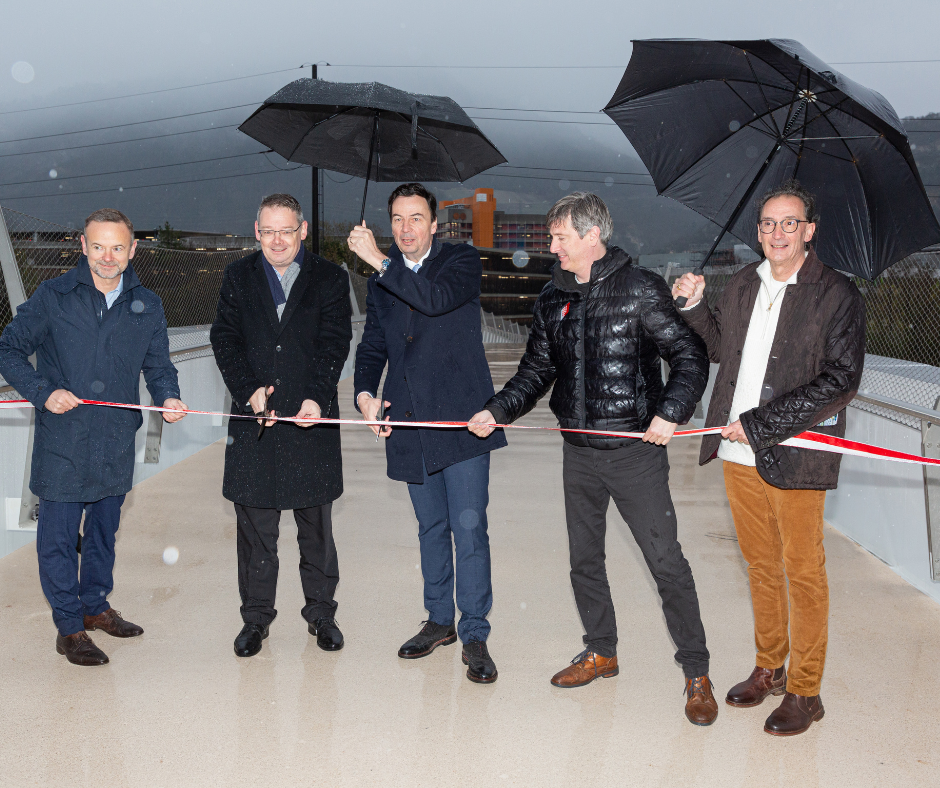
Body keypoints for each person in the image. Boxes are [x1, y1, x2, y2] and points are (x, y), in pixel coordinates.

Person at [469, 192, 717, 725]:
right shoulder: (552, 296)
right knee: (584, 561)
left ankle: (697, 671)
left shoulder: (641, 288)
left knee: (666, 563)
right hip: (578, 454)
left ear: (591, 236)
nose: (552, 246)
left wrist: (671, 411)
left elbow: (689, 355)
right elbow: (536, 370)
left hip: (635, 453)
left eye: (560, 237)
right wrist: (497, 410)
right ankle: (601, 651)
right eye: (551, 237)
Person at [671, 179, 866, 736]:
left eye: (789, 223)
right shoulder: (741, 284)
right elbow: (719, 347)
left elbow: (841, 379)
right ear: (758, 231)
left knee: (802, 571)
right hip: (737, 451)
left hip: (795, 451)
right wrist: (694, 306)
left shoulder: (837, 293)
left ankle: (806, 690)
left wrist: (760, 425)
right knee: (760, 566)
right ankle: (770, 667)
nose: (777, 233)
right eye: (768, 223)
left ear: (809, 230)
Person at [0, 208, 187, 666]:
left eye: (117, 247)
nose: (107, 257)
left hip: (116, 439)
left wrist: (168, 396)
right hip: (63, 441)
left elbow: (158, 366)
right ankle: (69, 628)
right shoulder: (53, 296)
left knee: (104, 533)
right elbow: (8, 349)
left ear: (133, 249)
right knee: (59, 539)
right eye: (98, 246)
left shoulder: (148, 305)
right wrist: (43, 392)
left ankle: (95, 606)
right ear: (83, 246)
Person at [349, 182, 506, 684]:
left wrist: (380, 261)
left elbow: (434, 301)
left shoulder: (460, 261)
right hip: (410, 419)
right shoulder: (381, 281)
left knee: (469, 526)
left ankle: (475, 631)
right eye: (397, 219)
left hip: (463, 422)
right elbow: (373, 344)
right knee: (431, 527)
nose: (405, 228)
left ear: (435, 224)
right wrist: (365, 395)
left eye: (416, 218)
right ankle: (439, 621)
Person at [211, 193, 352, 658]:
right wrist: (247, 389)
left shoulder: (330, 278)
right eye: (268, 231)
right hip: (256, 421)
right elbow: (224, 338)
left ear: (303, 230)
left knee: (316, 530)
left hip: (310, 419)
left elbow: (335, 341)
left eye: (286, 231)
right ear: (256, 231)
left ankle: (322, 614)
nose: (276, 241)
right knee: (256, 532)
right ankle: (255, 619)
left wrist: (317, 396)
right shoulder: (237, 276)